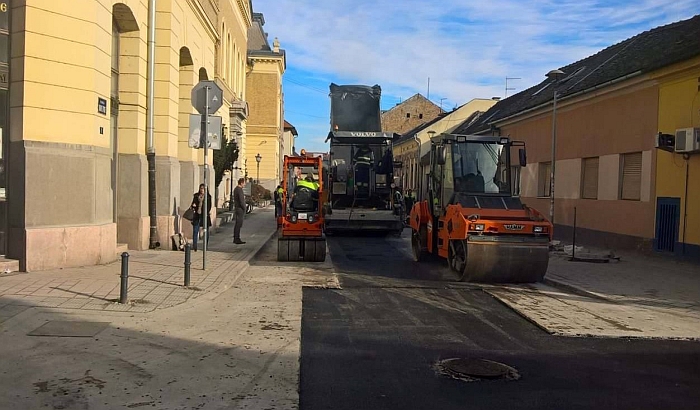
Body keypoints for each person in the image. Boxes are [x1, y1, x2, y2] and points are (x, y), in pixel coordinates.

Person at [189, 183, 211, 252]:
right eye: (201, 188)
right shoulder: (196, 196)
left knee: (206, 231)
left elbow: (209, 206)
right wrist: (193, 205)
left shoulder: (208, 197)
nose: (202, 190)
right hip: (197, 216)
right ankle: (195, 246)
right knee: (195, 230)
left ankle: (205, 246)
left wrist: (205, 211)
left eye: (203, 189)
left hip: (205, 216)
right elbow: (192, 204)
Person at [233, 178, 246, 244]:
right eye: (244, 183)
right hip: (240, 209)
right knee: (239, 224)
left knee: (238, 223)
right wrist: (244, 208)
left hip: (237, 208)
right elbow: (241, 200)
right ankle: (236, 238)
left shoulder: (236, 189)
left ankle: (236, 237)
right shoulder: (239, 190)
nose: (245, 184)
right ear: (241, 183)